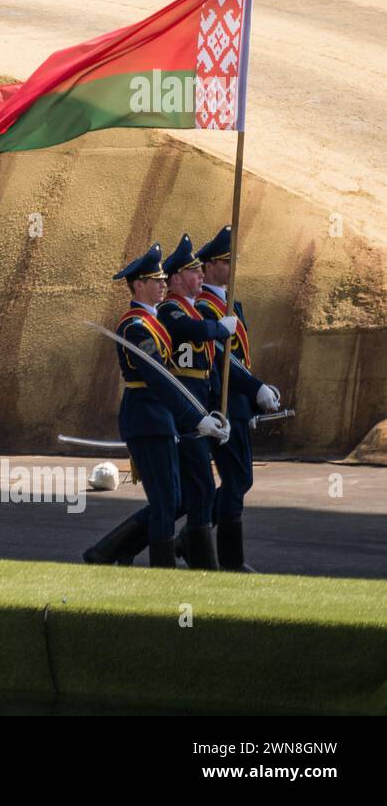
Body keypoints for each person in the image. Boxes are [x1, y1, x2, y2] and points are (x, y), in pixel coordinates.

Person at [85, 243, 228, 568]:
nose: (164, 284)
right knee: (166, 501)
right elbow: (159, 378)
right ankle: (162, 572)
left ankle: (114, 551)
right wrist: (196, 419)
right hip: (146, 418)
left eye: (165, 279)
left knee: (175, 498)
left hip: (160, 419)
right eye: (156, 279)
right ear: (139, 285)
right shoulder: (136, 328)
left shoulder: (153, 323)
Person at [195, 226, 281, 571]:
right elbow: (220, 356)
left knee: (239, 478)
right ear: (211, 265)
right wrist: (255, 386)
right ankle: (229, 559)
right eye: (228, 261)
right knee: (237, 478)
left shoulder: (232, 303)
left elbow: (240, 358)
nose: (233, 267)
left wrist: (258, 389)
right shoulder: (203, 306)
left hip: (239, 401)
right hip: (222, 401)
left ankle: (194, 539)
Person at [157, 233, 236, 570]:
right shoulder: (171, 310)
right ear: (175, 279)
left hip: (199, 408)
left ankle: (113, 546)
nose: (200, 275)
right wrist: (219, 328)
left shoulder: (191, 309)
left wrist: (220, 412)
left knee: (194, 491)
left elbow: (208, 370)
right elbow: (194, 332)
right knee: (196, 489)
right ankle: (201, 559)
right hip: (182, 411)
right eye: (193, 271)